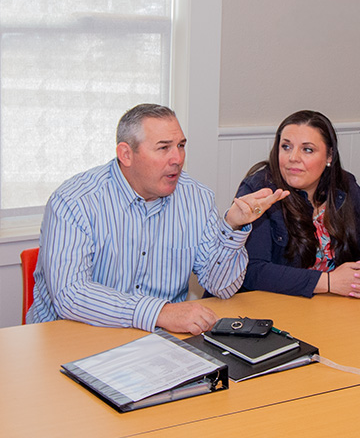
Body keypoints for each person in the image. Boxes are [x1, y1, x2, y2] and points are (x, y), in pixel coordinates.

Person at [28, 103, 286, 334]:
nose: (178, 159)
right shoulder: (74, 201)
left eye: (181, 146)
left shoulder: (196, 197)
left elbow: (223, 287)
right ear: (126, 154)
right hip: (71, 336)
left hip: (158, 342)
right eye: (163, 148)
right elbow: (71, 296)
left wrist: (233, 225)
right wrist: (160, 312)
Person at [236, 110, 360, 298]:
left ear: (329, 156)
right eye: (286, 147)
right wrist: (329, 282)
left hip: (333, 306)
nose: (293, 157)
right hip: (274, 307)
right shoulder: (259, 190)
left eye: (307, 149)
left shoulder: (345, 185)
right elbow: (252, 271)